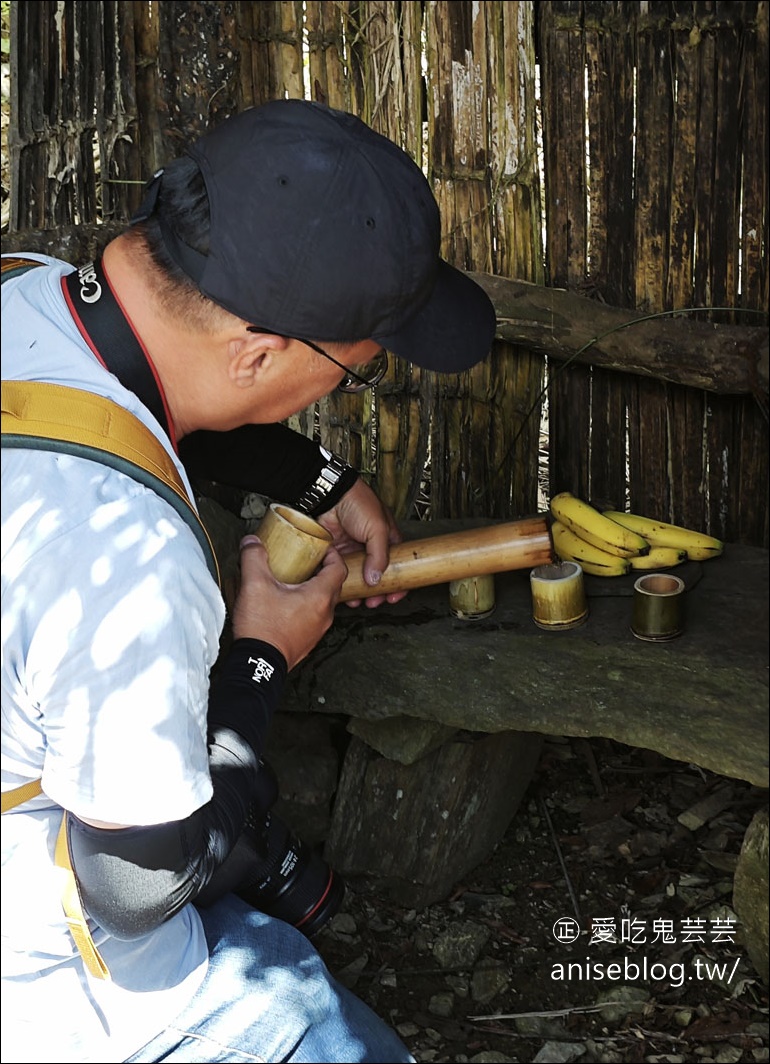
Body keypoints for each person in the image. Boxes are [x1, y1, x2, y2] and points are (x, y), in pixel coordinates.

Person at [1, 98, 496, 1063]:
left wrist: (320, 479)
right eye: (353, 372)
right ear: (261, 354)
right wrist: (264, 653)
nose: (341, 388)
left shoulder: (26, 287)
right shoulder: (127, 556)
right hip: (50, 992)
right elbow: (142, 888)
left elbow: (126, 395)